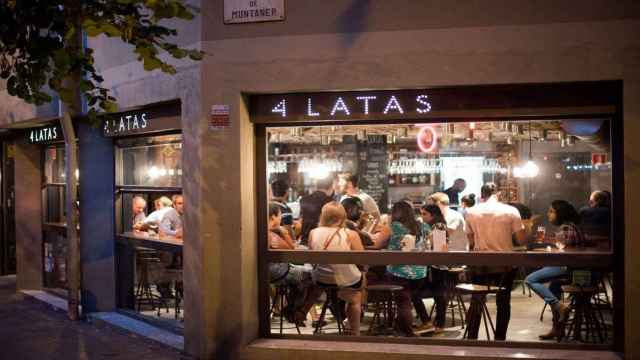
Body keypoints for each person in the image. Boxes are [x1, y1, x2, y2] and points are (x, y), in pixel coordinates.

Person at [463, 182, 527, 340]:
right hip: (504, 264)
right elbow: (521, 240)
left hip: (480, 264)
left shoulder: (471, 212)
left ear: (482, 195)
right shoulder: (511, 210)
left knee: (477, 300)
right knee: (503, 302)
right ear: (498, 194)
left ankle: (472, 337)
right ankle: (500, 338)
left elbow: (470, 242)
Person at [525, 200, 586, 340]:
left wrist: (551, 245)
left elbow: (567, 252)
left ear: (560, 213)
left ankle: (559, 306)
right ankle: (557, 328)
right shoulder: (570, 227)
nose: (548, 214)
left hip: (571, 270)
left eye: (551, 211)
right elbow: (565, 246)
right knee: (553, 288)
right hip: (572, 268)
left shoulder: (567, 228)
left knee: (530, 279)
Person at [309, 202, 365, 336]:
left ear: (323, 216)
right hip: (345, 281)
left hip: (320, 280)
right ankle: (354, 330)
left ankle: (341, 314)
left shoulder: (313, 233)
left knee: (353, 278)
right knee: (356, 294)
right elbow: (363, 259)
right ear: (343, 216)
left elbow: (312, 258)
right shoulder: (350, 234)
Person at [267, 202, 315, 325]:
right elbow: (291, 250)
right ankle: (293, 310)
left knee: (301, 278)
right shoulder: (272, 235)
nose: (281, 218)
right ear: (273, 217)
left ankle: (291, 309)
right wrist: (284, 232)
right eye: (279, 215)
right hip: (278, 272)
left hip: (270, 272)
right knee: (312, 276)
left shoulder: (264, 232)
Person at [386, 201, 429, 336]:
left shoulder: (395, 226)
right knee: (406, 302)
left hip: (400, 271)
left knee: (403, 303)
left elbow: (378, 244)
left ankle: (408, 334)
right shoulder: (423, 225)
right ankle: (399, 328)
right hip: (421, 272)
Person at [416, 204, 449, 333]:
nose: (422, 217)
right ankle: (432, 322)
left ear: (433, 215)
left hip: (437, 265)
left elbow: (439, 247)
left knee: (438, 295)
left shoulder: (439, 226)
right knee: (437, 295)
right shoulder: (430, 226)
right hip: (432, 265)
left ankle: (439, 324)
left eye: (424, 214)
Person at [299, 175, 336, 246]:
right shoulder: (330, 202)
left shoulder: (303, 199)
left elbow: (300, 220)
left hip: (305, 240)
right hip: (322, 241)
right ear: (331, 187)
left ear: (316, 186)